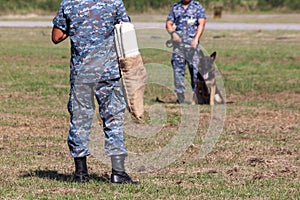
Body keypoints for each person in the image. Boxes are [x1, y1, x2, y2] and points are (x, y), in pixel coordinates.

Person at [52, 0, 137, 184]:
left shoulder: (69, 3)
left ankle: (81, 172)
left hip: (82, 73)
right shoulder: (114, 2)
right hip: (108, 71)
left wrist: (76, 29)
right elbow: (125, 30)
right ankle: (118, 173)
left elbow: (56, 36)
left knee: (80, 120)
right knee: (113, 119)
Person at [166, 0, 206, 104]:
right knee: (177, 71)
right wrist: (173, 34)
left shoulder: (197, 7)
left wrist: (196, 39)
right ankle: (180, 97)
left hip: (192, 45)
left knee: (195, 71)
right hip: (178, 46)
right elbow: (169, 23)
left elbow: (201, 23)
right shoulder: (176, 7)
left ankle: (196, 96)